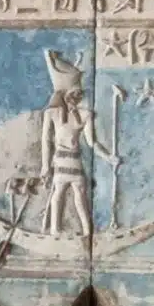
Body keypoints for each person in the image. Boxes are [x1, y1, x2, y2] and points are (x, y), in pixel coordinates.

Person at [39, 50, 117, 236]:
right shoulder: (52, 114)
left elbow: (92, 143)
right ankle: (55, 230)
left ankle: (87, 231)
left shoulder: (85, 115)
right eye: (73, 94)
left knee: (80, 196)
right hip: (60, 162)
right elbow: (46, 141)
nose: (76, 97)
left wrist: (108, 157)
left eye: (78, 94)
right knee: (58, 195)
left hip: (75, 162)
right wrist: (45, 166)